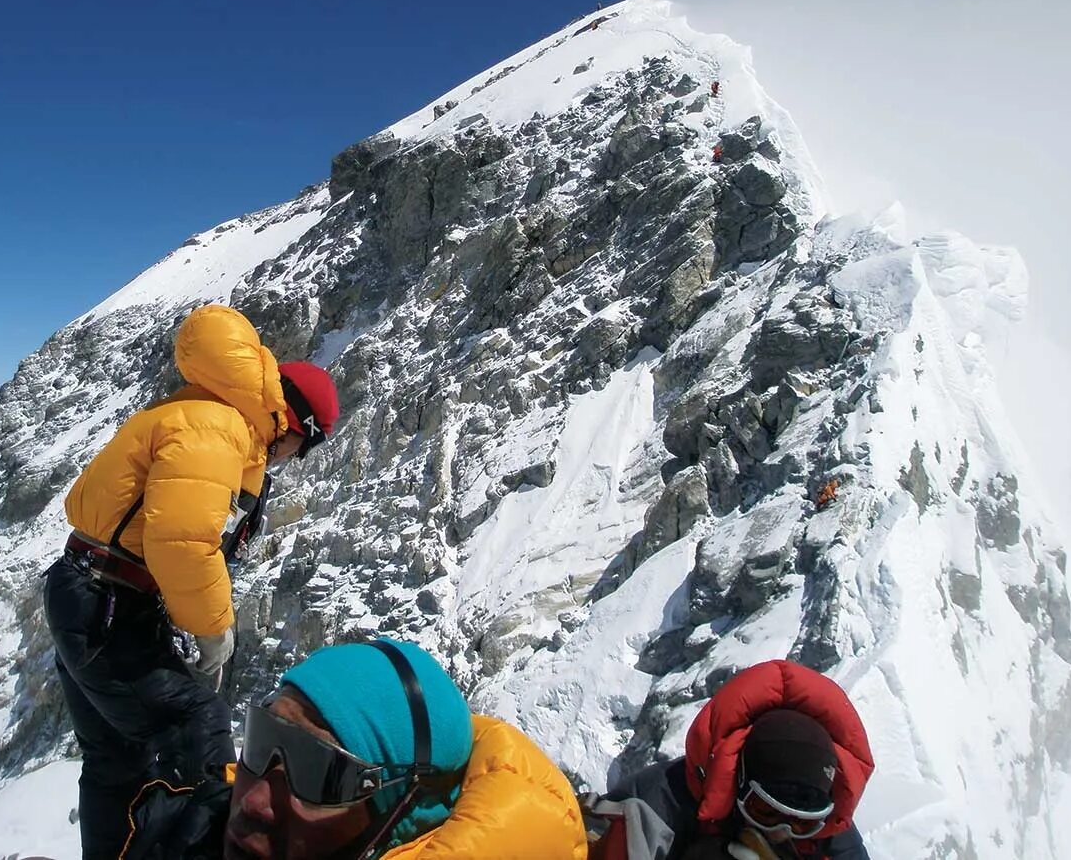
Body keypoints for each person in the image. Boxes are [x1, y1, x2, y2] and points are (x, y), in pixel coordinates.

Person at [43, 304, 340, 860]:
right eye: (308, 443)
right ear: (297, 424)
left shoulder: (211, 418)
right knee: (195, 724)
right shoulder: (219, 429)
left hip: (90, 594)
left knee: (115, 760)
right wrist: (213, 629)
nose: (299, 457)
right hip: (107, 603)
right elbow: (180, 541)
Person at [129, 638, 588, 859]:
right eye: (261, 740)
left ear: (403, 815)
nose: (254, 800)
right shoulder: (180, 830)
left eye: (319, 773)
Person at [592, 660, 874, 859]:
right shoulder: (654, 806)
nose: (781, 832)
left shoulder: (830, 835)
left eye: (802, 823)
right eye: (764, 810)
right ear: (737, 779)